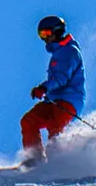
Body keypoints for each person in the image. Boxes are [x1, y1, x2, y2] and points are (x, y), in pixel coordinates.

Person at [20, 15, 85, 167]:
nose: (45, 38)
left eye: (47, 34)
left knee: (56, 126)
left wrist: (44, 87)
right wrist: (44, 88)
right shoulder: (59, 53)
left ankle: (58, 162)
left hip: (68, 101)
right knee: (29, 121)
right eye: (41, 35)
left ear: (57, 31)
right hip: (53, 100)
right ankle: (35, 159)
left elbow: (62, 77)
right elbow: (56, 78)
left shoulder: (69, 51)